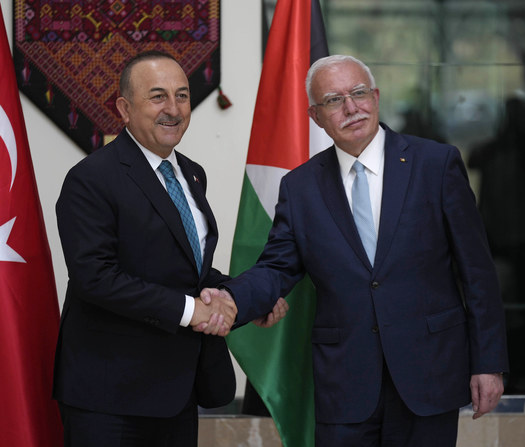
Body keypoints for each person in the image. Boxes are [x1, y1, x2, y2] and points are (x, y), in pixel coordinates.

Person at [203, 55, 509, 446]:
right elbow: (276, 268)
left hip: (429, 373)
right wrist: (231, 299)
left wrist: (489, 363)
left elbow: (477, 272)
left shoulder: (436, 164)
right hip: (345, 383)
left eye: (359, 93)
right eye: (333, 100)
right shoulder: (301, 187)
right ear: (315, 116)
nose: (351, 108)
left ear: (376, 97)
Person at [53, 51, 251, 446]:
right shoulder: (91, 179)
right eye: (158, 96)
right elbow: (97, 278)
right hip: (110, 398)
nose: (174, 109)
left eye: (182, 96)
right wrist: (195, 310)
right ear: (125, 108)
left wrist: (242, 298)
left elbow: (189, 269)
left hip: (177, 391)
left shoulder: (192, 173)